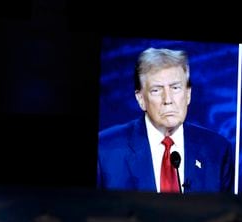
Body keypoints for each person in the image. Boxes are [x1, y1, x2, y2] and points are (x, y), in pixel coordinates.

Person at [98, 48, 234, 194]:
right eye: (156, 90)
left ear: (188, 94)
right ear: (141, 99)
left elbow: (227, 212)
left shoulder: (217, 150)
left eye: (175, 88)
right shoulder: (105, 150)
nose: (168, 100)